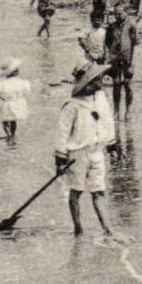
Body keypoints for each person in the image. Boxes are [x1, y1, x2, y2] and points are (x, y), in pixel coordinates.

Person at [57, 61, 118, 238]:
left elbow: (107, 120)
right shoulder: (72, 105)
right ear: (88, 83)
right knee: (76, 191)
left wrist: (111, 144)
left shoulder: (100, 98)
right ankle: (78, 227)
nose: (101, 83)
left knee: (99, 190)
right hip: (77, 154)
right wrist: (60, 159)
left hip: (97, 150)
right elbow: (62, 133)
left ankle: (108, 229)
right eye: (97, 80)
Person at [104, 0, 138, 122]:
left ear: (126, 13)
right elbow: (107, 43)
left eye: (120, 14)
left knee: (128, 85)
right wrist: (108, 58)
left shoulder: (131, 25)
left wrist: (132, 61)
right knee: (116, 84)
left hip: (128, 57)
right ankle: (116, 110)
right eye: (115, 14)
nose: (118, 16)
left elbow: (134, 43)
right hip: (115, 58)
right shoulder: (111, 27)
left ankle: (128, 111)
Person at [0, 57, 31, 146]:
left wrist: (1, 97)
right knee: (13, 121)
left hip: (7, 103)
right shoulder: (22, 82)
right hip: (18, 103)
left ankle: (8, 134)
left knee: (5, 120)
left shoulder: (1, 84)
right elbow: (26, 91)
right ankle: (13, 134)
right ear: (17, 72)